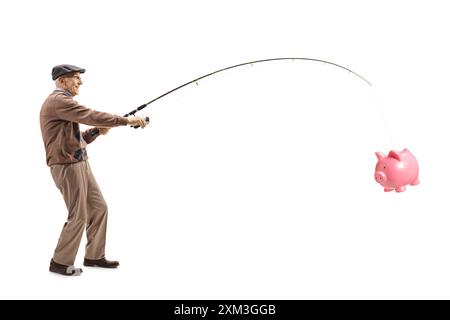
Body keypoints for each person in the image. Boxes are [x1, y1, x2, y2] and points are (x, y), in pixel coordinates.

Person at [40, 64, 147, 276]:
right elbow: (90, 115)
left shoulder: (64, 103)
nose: (80, 82)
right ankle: (60, 262)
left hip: (79, 162)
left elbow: (75, 139)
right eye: (75, 78)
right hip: (66, 166)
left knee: (99, 207)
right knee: (78, 214)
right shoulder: (58, 101)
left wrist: (96, 132)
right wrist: (126, 121)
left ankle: (94, 256)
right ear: (62, 81)